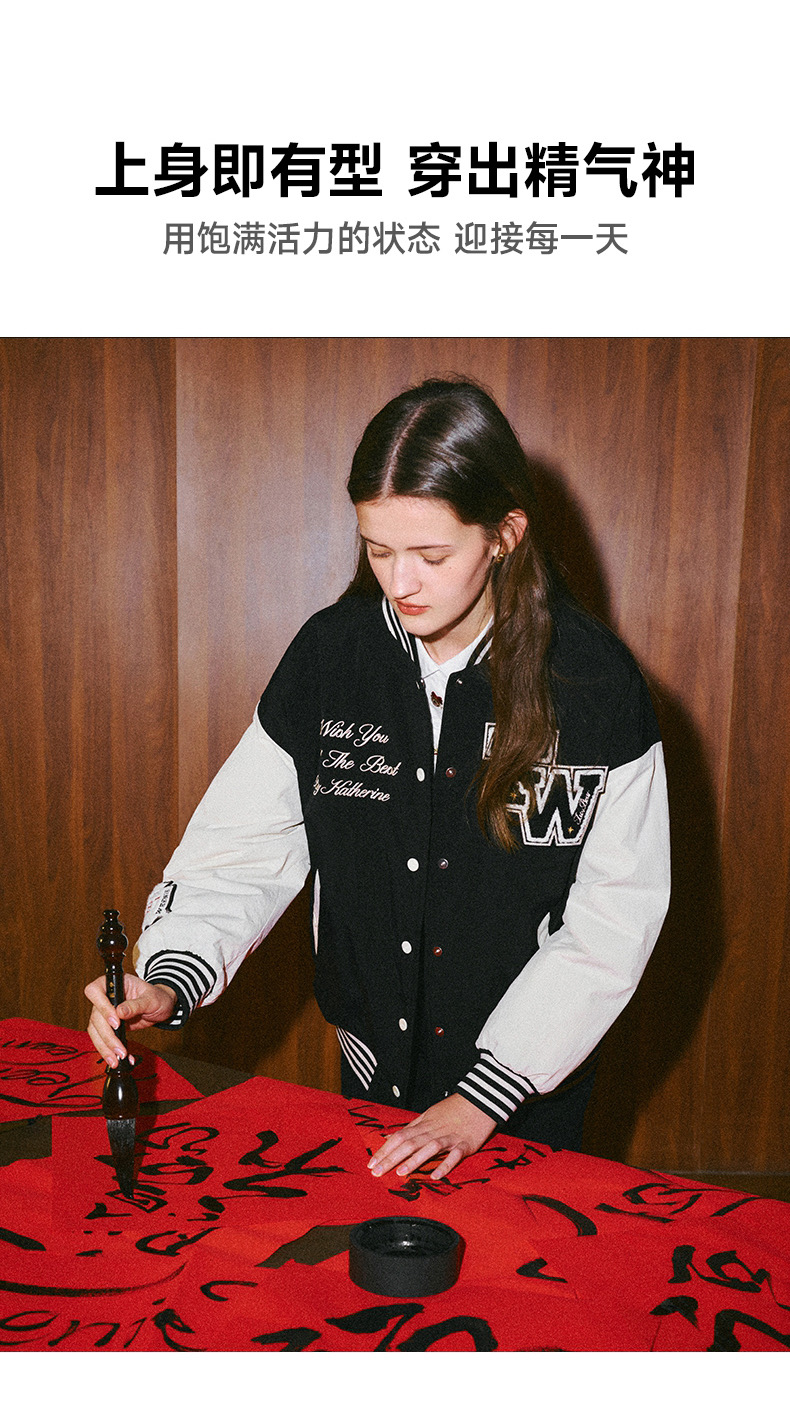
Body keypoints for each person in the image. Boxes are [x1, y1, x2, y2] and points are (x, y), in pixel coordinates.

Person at [85, 378, 670, 1182]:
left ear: (504, 535)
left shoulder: (595, 684)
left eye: (431, 555)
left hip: (528, 1095)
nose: (401, 583)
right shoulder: (330, 659)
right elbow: (241, 847)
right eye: (378, 549)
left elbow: (613, 917)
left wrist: (484, 1097)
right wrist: (168, 974)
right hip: (373, 1078)